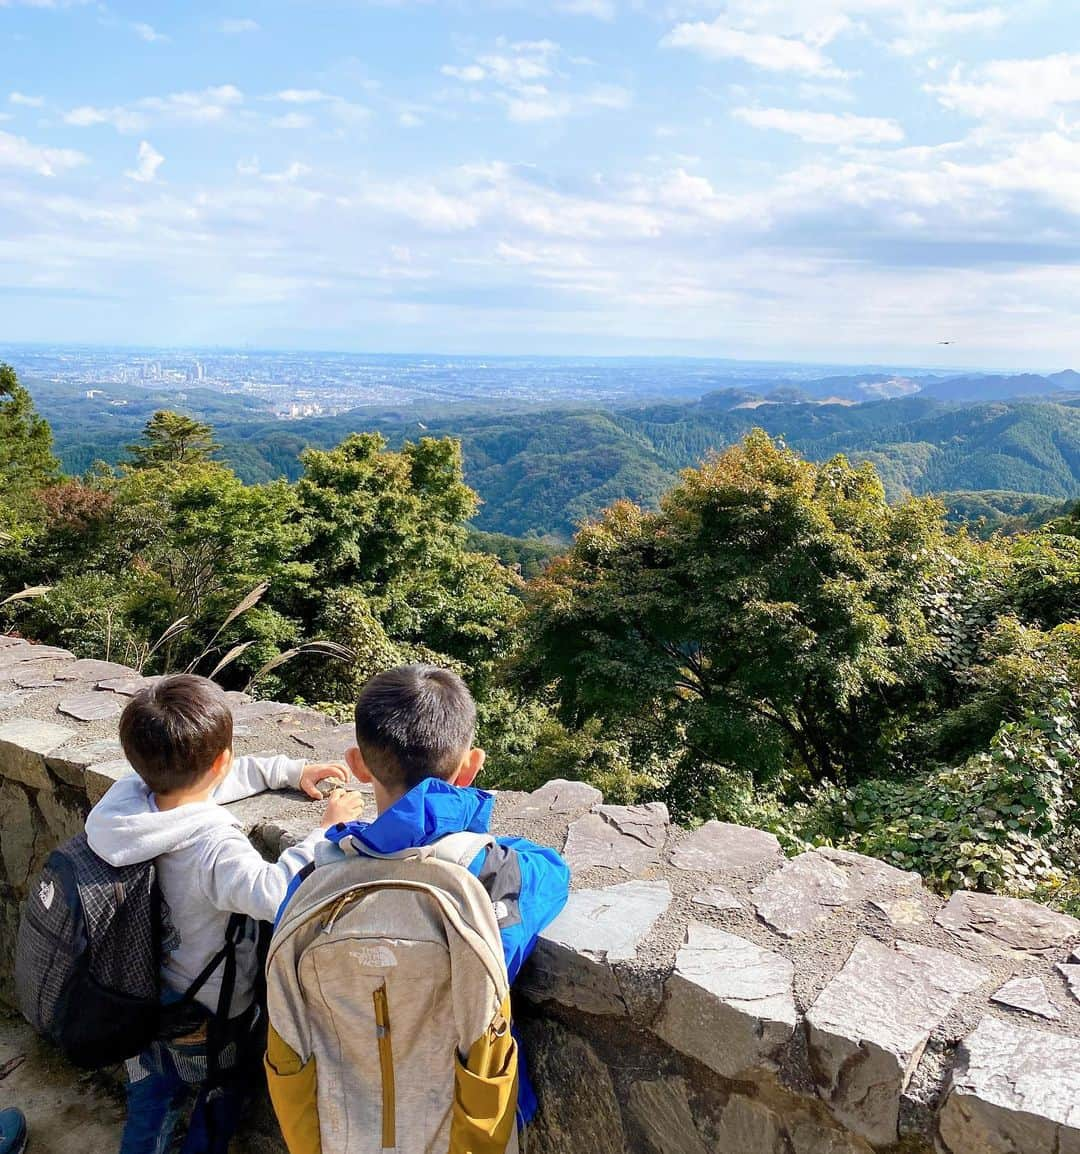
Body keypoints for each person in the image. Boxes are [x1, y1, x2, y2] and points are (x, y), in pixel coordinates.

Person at [269, 664, 570, 1151]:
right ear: (471, 766)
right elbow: (554, 872)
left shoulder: (311, 881)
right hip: (458, 1132)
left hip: (335, 1129)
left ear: (359, 765)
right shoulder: (490, 873)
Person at [85, 674, 366, 1154]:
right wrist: (326, 832)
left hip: (136, 996)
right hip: (205, 1013)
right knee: (219, 1093)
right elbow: (277, 892)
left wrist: (286, 770)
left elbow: (192, 777)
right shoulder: (212, 846)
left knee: (150, 1100)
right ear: (222, 762)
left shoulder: (126, 806)